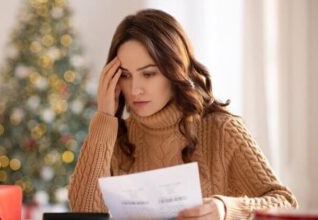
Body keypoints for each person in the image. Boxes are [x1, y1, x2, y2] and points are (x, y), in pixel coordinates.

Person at [68, 8, 297, 220]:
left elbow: (285, 204)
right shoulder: (114, 137)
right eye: (126, 76)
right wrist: (104, 118)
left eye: (148, 74)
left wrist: (226, 209)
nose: (135, 89)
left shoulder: (221, 129)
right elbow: (83, 212)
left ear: (174, 70)